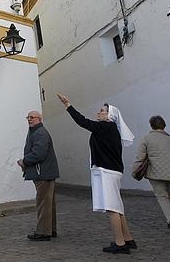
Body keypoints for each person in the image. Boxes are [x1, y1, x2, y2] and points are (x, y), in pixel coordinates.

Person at [56, 93, 136, 254]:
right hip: (113, 171)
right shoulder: (111, 129)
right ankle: (128, 239)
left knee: (112, 208)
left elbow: (82, 121)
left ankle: (120, 244)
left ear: (110, 115)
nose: (98, 112)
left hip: (107, 171)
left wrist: (67, 105)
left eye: (102, 111)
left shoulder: (105, 127)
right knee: (118, 207)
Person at [17, 110, 60, 241]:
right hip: (43, 172)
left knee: (43, 203)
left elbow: (39, 154)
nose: (29, 119)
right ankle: (50, 230)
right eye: (28, 117)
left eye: (32, 117)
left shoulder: (40, 132)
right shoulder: (35, 131)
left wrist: (24, 161)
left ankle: (43, 232)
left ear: (39, 119)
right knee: (47, 203)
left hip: (43, 173)